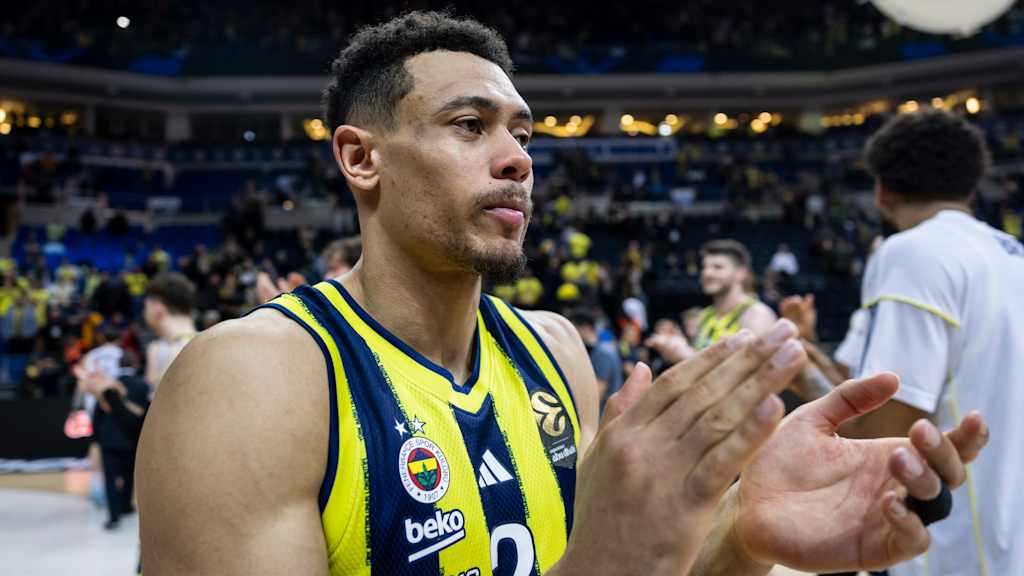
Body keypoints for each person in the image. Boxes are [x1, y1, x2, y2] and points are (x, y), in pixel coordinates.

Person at [137, 12, 987, 576]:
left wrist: (743, 537)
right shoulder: (251, 380)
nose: (517, 159)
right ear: (362, 159)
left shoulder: (554, 349)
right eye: (471, 127)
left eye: (524, 133)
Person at [835, 109, 1024, 575]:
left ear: (883, 192)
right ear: (970, 187)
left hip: (954, 547)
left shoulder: (913, 251)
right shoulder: (1012, 253)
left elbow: (887, 435)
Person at [646, 239, 776, 363]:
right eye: (704, 267)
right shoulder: (705, 316)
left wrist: (686, 357)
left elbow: (754, 374)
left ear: (741, 273)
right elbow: (699, 359)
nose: (707, 273)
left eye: (717, 267)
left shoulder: (757, 315)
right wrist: (676, 348)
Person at [142, 273, 197, 395]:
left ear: (158, 307)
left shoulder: (162, 351)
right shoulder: (211, 342)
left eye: (145, 307)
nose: (144, 313)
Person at [567, 308, 623, 411]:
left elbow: (597, 394)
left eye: (573, 329)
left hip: (602, 417)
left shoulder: (601, 353)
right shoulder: (606, 348)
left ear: (586, 328)